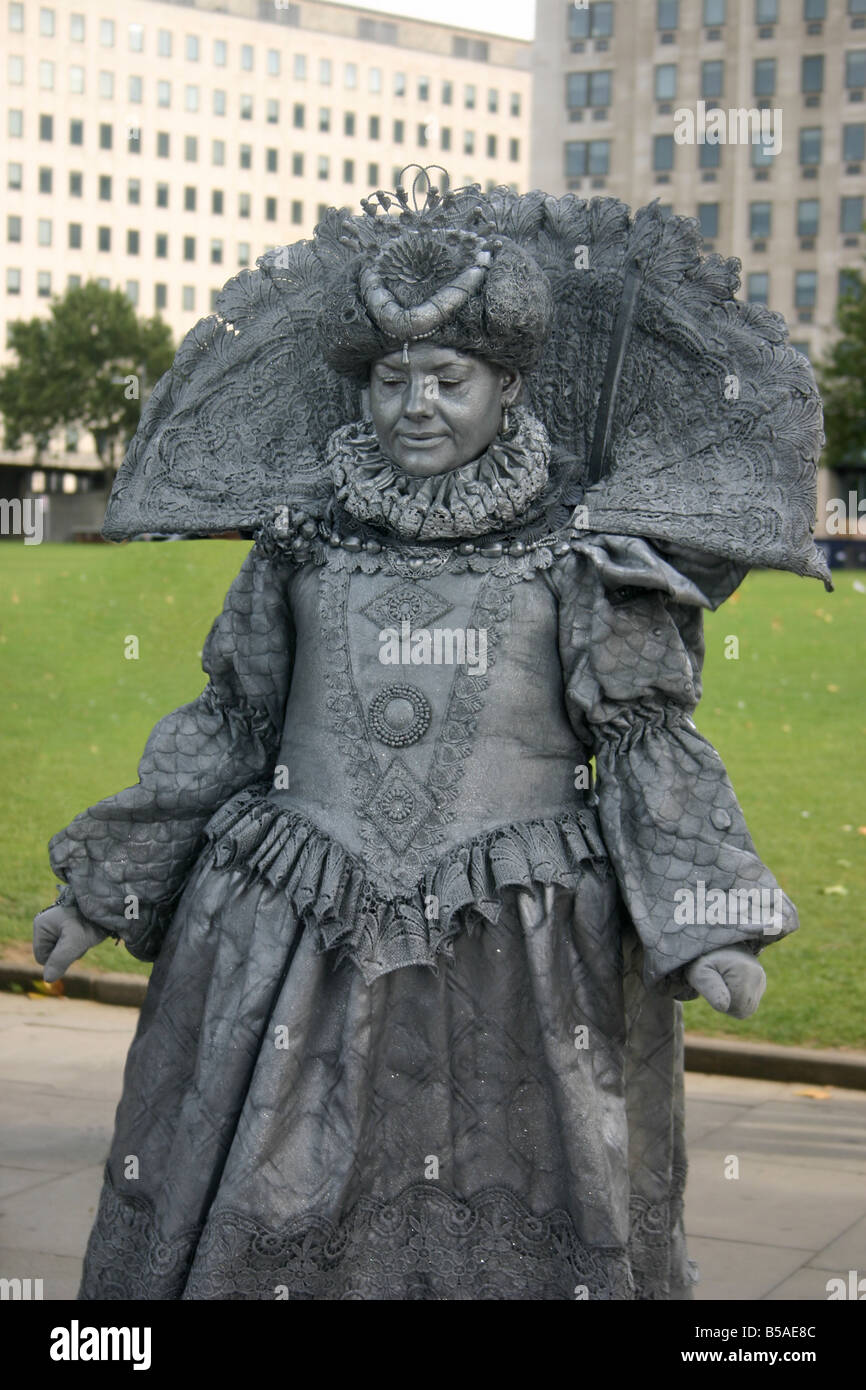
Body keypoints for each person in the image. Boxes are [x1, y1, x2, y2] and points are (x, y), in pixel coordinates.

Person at [33, 175, 825, 1300]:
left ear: (507, 386)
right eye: (389, 379)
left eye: (446, 380)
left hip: (519, 950)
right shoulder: (298, 546)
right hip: (290, 934)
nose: (415, 404)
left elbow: (647, 745)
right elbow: (229, 724)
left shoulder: (583, 560)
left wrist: (706, 927)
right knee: (278, 1198)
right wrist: (100, 895)